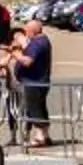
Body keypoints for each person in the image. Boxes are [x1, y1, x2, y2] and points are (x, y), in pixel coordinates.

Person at [12, 15, 54, 147]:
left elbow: (28, 61)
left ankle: (40, 137)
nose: (26, 33)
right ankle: (45, 135)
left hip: (34, 82)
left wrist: (16, 55)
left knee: (34, 108)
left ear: (33, 31)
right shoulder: (41, 41)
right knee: (40, 108)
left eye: (27, 31)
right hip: (38, 81)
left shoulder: (38, 43)